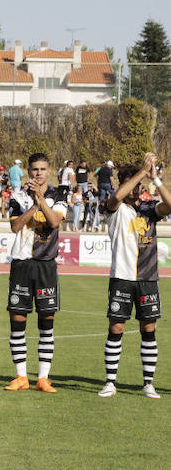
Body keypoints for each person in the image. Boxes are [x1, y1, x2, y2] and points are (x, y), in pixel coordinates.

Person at [98, 154, 169, 399]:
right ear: (124, 183)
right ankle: (110, 382)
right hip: (122, 277)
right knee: (116, 327)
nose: (137, 189)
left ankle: (148, 383)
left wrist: (155, 179)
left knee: (148, 328)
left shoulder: (149, 210)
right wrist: (142, 170)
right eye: (133, 184)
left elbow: (170, 205)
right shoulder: (114, 208)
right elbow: (118, 196)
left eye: (140, 186)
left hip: (148, 279)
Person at [4, 153, 67, 393]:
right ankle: (21, 377)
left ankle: (43, 378)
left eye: (42, 169)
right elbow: (15, 226)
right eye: (34, 169)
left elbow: (54, 222)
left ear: (48, 171)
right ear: (28, 172)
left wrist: (41, 198)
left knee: (46, 322)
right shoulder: (18, 196)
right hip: (21, 263)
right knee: (18, 320)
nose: (38, 173)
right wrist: (33, 204)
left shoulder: (59, 195)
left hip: (45, 265)